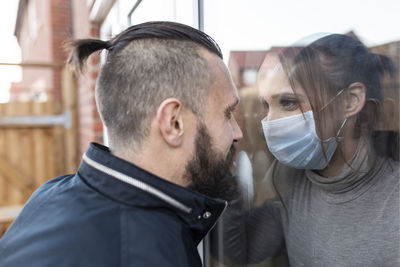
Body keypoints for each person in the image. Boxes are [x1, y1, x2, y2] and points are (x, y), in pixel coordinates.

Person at [0, 21, 243, 267]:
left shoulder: (50, 194)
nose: (238, 132)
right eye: (227, 113)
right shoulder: (148, 255)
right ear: (174, 122)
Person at [222, 34, 399, 266]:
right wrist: (219, 164)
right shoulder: (290, 179)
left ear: (350, 101)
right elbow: (244, 250)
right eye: (266, 106)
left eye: (288, 102)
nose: (268, 123)